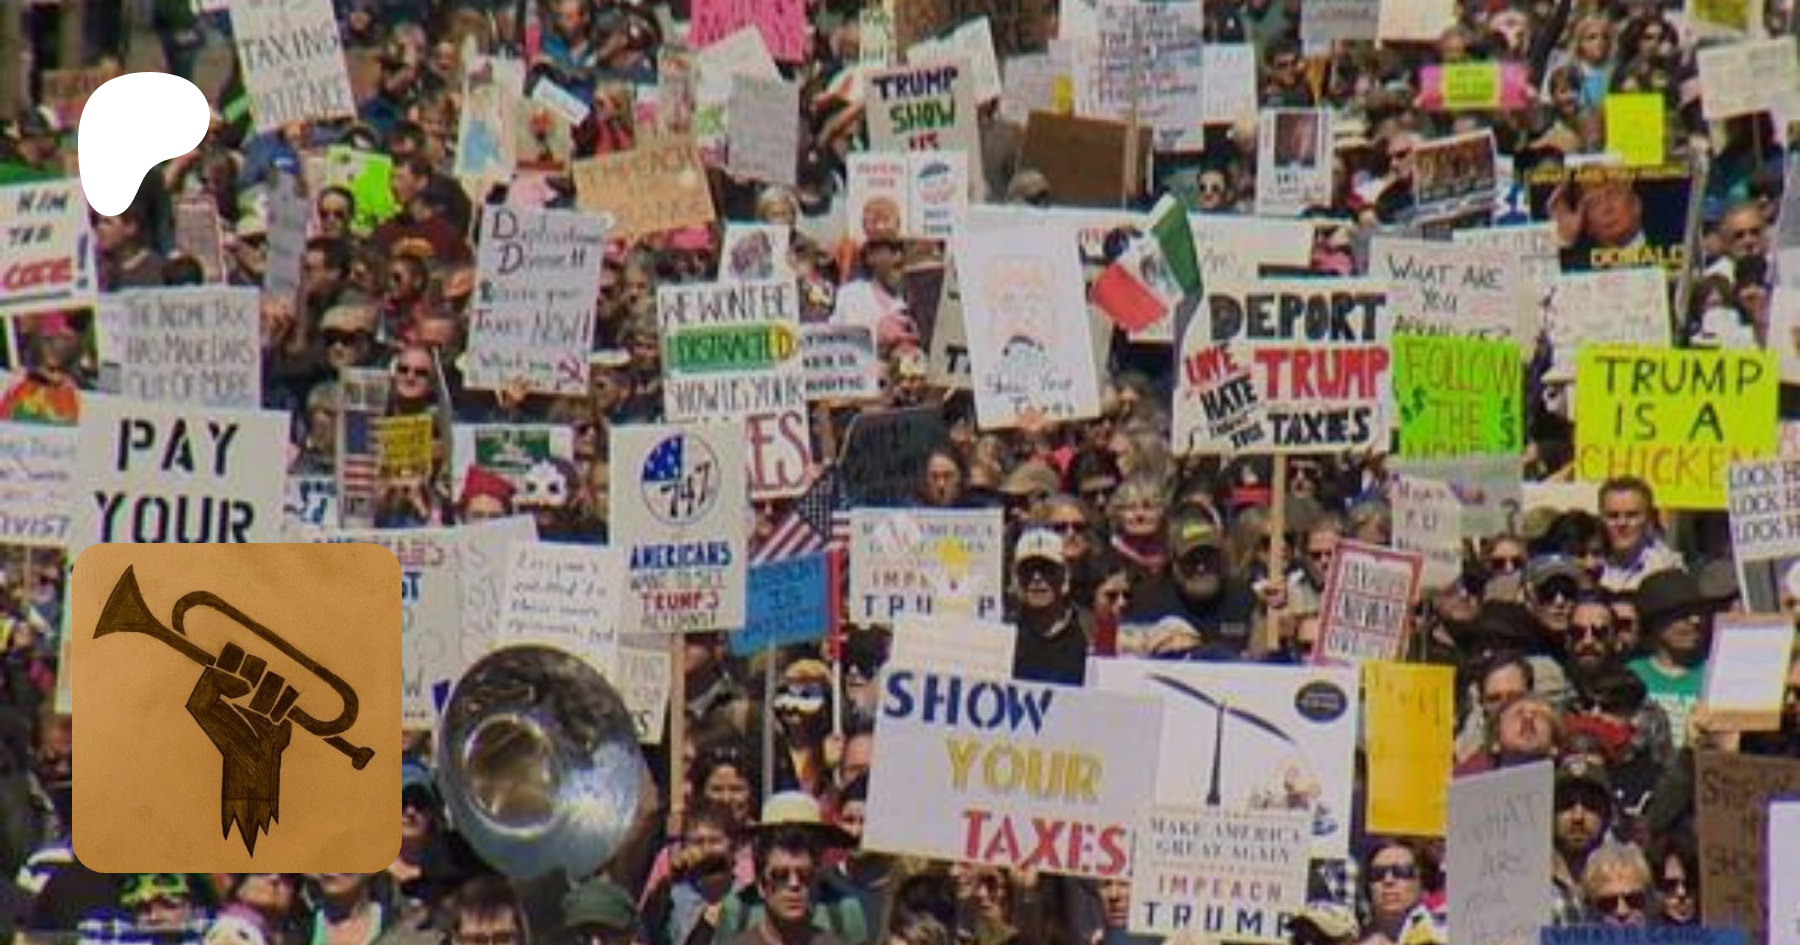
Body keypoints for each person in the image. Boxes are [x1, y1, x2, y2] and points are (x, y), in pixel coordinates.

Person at [1007, 529, 1091, 686]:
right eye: (1028, 569)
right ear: (1016, 579)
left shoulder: (1089, 632)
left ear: (1065, 577)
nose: (1037, 577)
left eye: (1047, 569)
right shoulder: (1003, 634)